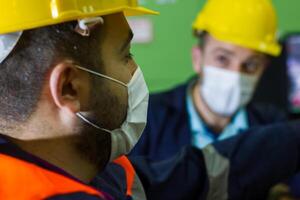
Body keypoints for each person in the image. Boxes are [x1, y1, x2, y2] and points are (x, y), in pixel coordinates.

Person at [2, 1, 300, 200]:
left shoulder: (101, 173)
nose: (135, 71)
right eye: (125, 55)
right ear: (69, 87)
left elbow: (197, 174)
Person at [131, 0, 288, 161]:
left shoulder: (275, 128)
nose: (235, 75)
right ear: (198, 58)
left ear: (264, 68)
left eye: (251, 64)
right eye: (222, 58)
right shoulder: (146, 121)